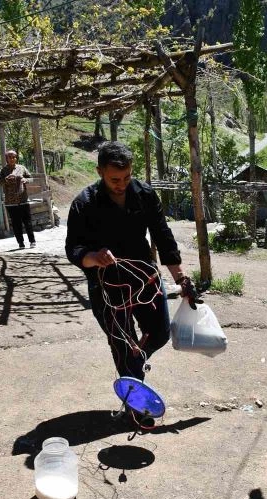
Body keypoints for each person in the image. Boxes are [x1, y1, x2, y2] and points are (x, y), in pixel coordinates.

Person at [65, 141, 198, 382]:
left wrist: (181, 278)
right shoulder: (84, 204)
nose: (122, 184)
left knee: (159, 334)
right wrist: (94, 257)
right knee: (123, 344)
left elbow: (163, 237)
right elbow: (73, 248)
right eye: (115, 179)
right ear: (100, 172)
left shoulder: (144, 194)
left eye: (126, 177)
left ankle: (133, 364)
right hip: (106, 287)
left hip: (144, 279)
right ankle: (137, 405)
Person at [0, 150, 36, 249]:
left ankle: (32, 241)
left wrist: (25, 180)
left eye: (14, 157)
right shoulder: (3, 170)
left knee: (27, 221)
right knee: (16, 223)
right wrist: (6, 179)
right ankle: (21, 243)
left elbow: (31, 179)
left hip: (23, 199)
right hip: (10, 202)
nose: (12, 159)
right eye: (10, 157)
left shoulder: (22, 168)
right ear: (6, 159)